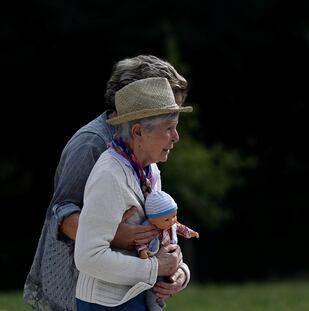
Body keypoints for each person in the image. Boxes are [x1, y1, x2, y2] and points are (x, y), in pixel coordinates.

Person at [24, 55, 190, 311]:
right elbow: (63, 211)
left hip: (126, 283)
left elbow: (155, 220)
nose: (175, 133)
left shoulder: (147, 160)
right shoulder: (93, 144)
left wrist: (176, 267)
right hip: (84, 283)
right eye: (166, 111)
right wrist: (117, 236)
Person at [74, 77, 193, 310]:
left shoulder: (149, 169)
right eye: (169, 128)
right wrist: (155, 268)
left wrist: (179, 271)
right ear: (138, 132)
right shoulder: (109, 175)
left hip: (137, 298)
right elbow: (88, 258)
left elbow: (161, 232)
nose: (176, 136)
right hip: (105, 305)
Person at [135, 190, 199, 259]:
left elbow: (182, 228)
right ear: (152, 220)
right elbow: (140, 241)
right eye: (166, 220)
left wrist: (191, 233)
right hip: (155, 255)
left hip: (170, 251)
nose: (171, 221)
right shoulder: (147, 229)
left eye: (174, 216)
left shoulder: (173, 225)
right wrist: (143, 251)